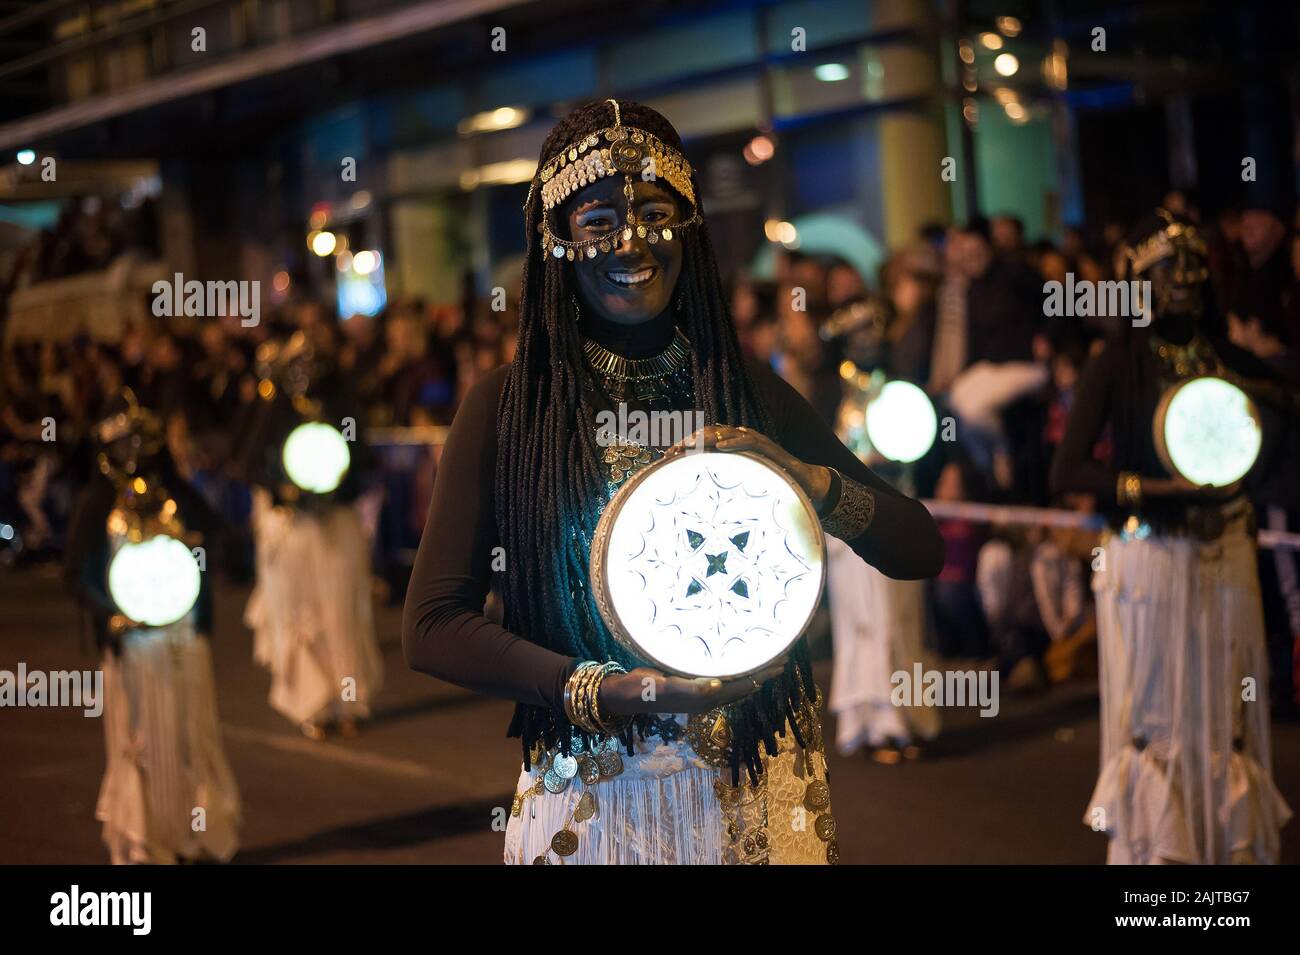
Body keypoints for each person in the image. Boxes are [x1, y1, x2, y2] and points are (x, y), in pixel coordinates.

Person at [402, 99, 943, 865]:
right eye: (598, 221)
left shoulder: (747, 389)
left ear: (690, 228)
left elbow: (920, 546)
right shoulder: (508, 408)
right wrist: (596, 689)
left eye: (658, 211)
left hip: (758, 794)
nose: (634, 241)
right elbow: (431, 625)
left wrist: (816, 484)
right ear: (553, 242)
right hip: (597, 803)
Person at [1050, 208, 1292, 864]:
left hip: (1230, 549)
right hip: (1152, 553)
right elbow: (1067, 469)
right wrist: (1161, 492)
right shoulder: (1117, 359)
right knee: (1158, 712)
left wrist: (1263, 392)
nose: (1183, 277)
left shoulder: (1227, 354)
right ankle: (1166, 859)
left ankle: (1225, 858)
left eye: (1192, 264)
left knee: (1227, 707)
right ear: (1137, 280)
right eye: (1166, 267)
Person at [64, 388, 241, 863]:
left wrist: (192, 555)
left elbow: (218, 533)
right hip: (131, 645)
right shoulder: (96, 500)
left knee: (193, 738)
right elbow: (74, 576)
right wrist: (113, 613)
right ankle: (146, 844)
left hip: (182, 638)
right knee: (138, 745)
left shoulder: (174, 490)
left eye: (140, 443)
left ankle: (193, 836)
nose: (133, 455)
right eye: (122, 446)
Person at [239, 324, 383, 739]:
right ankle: (312, 702)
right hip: (297, 528)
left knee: (343, 613)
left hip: (337, 523)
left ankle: (349, 700)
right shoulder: (276, 410)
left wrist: (338, 484)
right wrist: (285, 488)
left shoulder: (343, 406)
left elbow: (363, 459)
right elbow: (249, 462)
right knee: (305, 614)